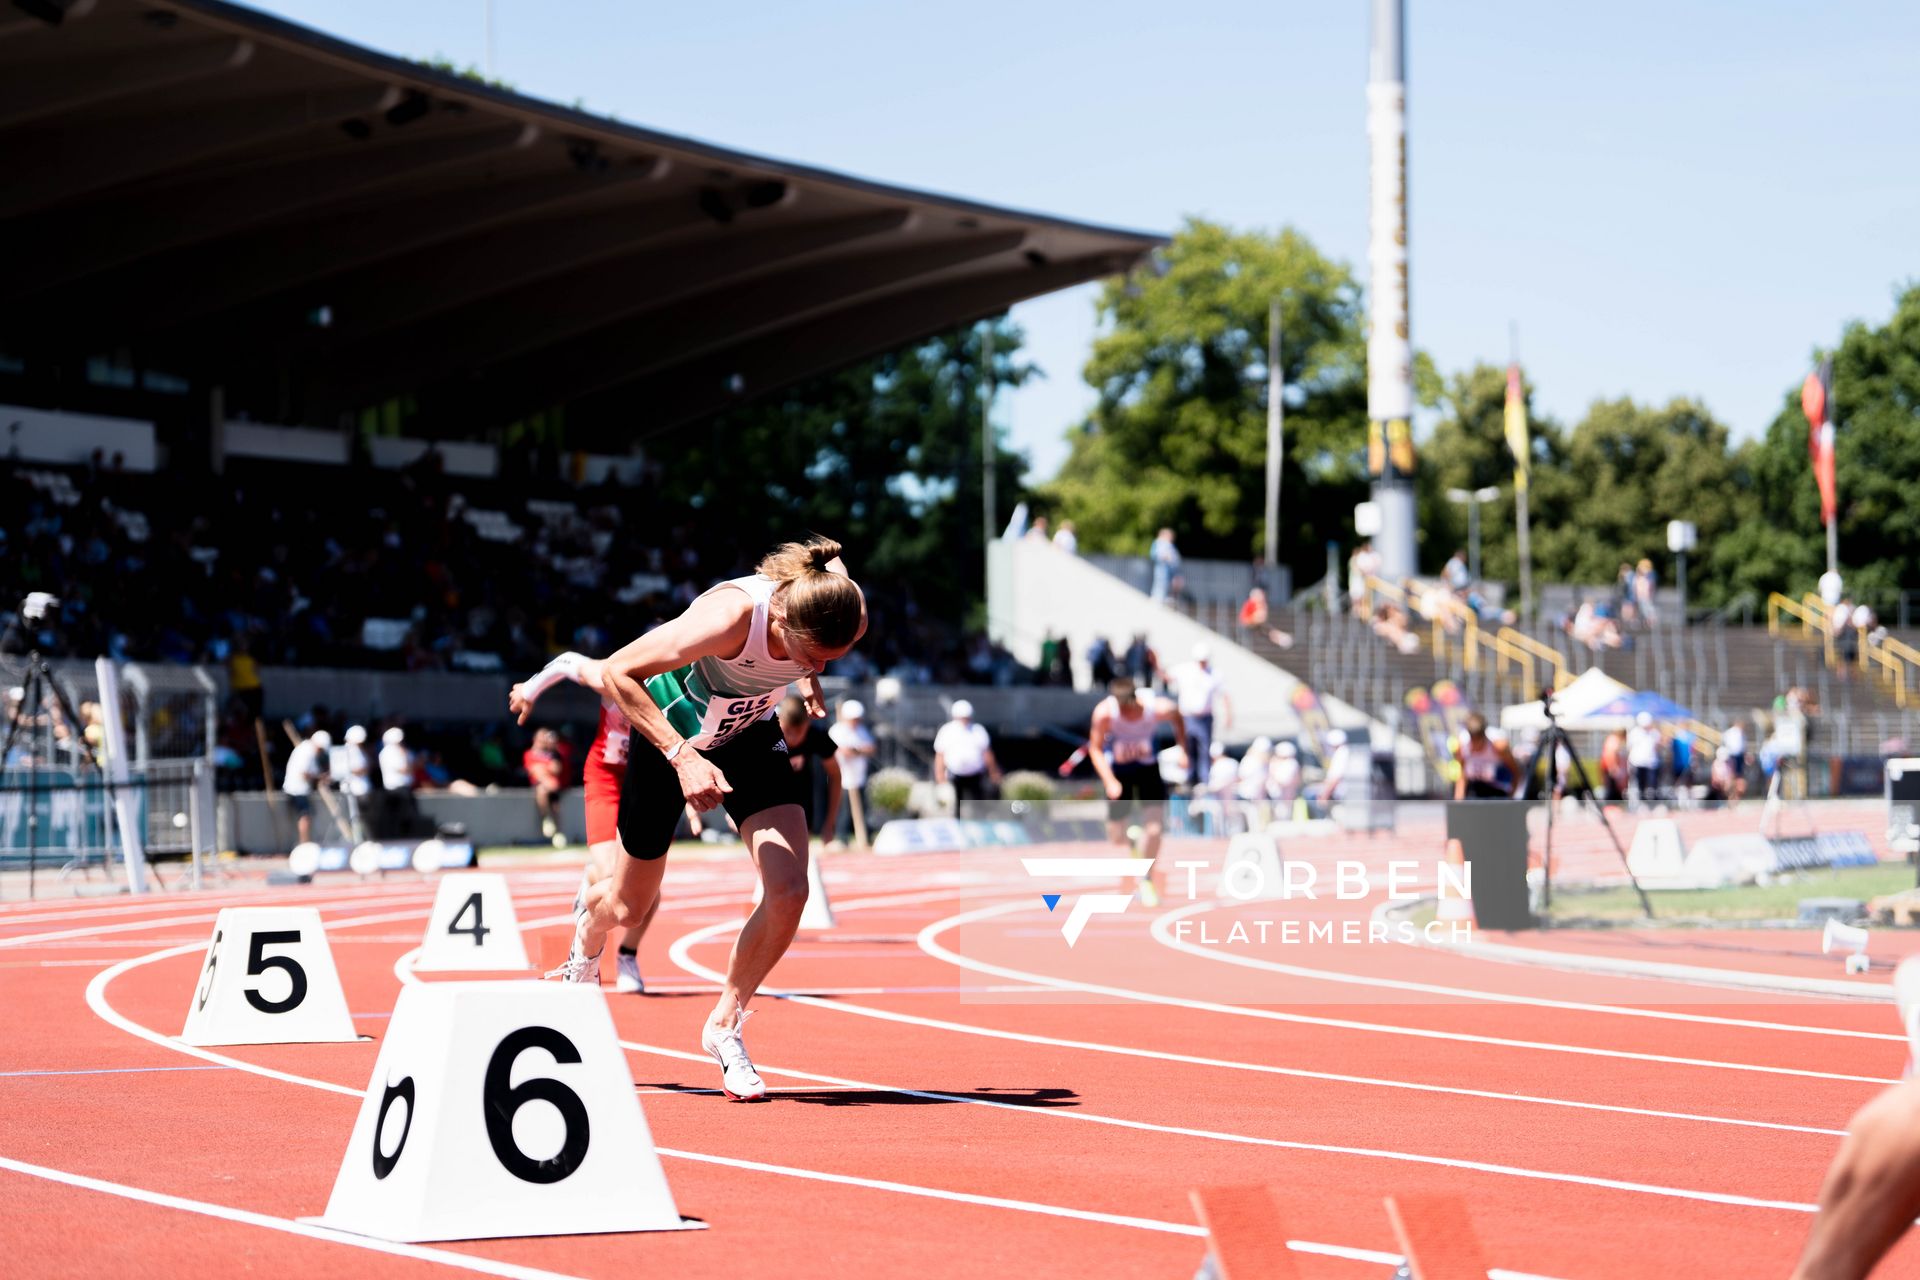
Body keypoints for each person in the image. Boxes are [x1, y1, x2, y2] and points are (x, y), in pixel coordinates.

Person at [552, 536, 867, 1102]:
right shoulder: (727, 618)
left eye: (828, 661)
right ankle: (585, 933)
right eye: (812, 656)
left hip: (748, 736)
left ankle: (724, 1025)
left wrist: (806, 674)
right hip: (670, 735)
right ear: (787, 618)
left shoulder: (841, 607)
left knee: (790, 889)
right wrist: (682, 757)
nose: (818, 668)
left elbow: (832, 580)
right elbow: (618, 673)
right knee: (628, 905)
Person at [509, 652, 660, 994]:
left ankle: (628, 955)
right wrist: (530, 691)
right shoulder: (615, 674)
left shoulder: (679, 688)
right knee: (612, 879)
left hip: (649, 779)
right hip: (606, 777)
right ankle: (593, 881)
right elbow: (565, 662)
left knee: (650, 893)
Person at [1087, 677, 1186, 906]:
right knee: (1116, 836)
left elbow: (1178, 718)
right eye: (1120, 709)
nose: (1125, 713)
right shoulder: (1104, 713)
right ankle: (1132, 842)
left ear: (1135, 700)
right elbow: (1095, 748)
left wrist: (1183, 749)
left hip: (1147, 770)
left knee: (1154, 829)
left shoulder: (1157, 708)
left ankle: (1146, 876)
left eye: (1128, 708)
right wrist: (1110, 781)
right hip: (1119, 771)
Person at [776, 694, 842, 840]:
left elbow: (835, 775)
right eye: (787, 731)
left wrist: (830, 821)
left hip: (801, 800)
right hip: (768, 795)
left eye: (799, 731)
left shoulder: (816, 736)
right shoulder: (766, 734)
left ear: (808, 724)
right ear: (778, 720)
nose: (793, 738)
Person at [1168, 643, 1230, 786]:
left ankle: (1204, 778)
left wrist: (1228, 716)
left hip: (1205, 718)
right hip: (1187, 717)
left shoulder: (1214, 673)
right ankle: (1189, 776)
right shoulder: (1185, 670)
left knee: (1204, 748)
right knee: (1187, 746)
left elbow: (1224, 695)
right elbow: (1167, 676)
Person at [933, 698, 1000, 810]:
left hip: (976, 775)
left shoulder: (978, 730)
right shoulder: (947, 730)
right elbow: (940, 754)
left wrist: (993, 772)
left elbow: (987, 753)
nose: (964, 720)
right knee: (954, 805)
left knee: (977, 805)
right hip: (955, 775)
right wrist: (939, 775)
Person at [829, 699, 877, 849]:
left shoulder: (861, 730)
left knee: (863, 808)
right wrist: (857, 750)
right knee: (843, 810)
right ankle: (841, 837)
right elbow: (842, 751)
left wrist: (856, 751)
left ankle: (864, 836)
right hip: (842, 777)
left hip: (859, 776)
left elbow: (871, 748)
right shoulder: (837, 730)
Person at [1453, 713, 1521, 799]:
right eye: (1473, 740)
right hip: (1474, 790)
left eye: (1478, 741)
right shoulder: (1462, 746)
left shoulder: (1499, 746)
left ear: (1484, 735)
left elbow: (1515, 772)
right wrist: (1458, 800)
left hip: (1497, 790)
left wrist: (1511, 797)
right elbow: (1462, 774)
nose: (1476, 746)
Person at [523, 727, 569, 847]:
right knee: (542, 791)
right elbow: (534, 771)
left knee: (556, 807)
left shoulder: (553, 753)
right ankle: (546, 818)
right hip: (542, 784)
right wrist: (545, 774)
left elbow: (556, 768)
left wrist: (544, 769)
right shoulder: (529, 754)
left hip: (553, 786)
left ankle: (558, 834)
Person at [282, 729, 330, 847]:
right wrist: (319, 777)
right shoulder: (306, 752)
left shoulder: (306, 749)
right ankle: (304, 843)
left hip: (299, 787)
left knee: (306, 815)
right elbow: (303, 773)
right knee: (305, 815)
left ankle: (305, 842)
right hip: (297, 788)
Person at [1626, 712, 1663, 809]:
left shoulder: (1654, 733)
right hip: (1638, 762)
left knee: (1652, 785)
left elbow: (1657, 747)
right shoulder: (1634, 733)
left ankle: (1653, 805)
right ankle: (1642, 805)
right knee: (1640, 785)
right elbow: (1630, 747)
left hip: (1651, 763)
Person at [1149, 528, 1181, 604]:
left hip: (1169, 569)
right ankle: (1157, 598)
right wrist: (1165, 557)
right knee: (1160, 582)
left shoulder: (1170, 545)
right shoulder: (1158, 543)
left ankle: (1162, 597)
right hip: (1162, 567)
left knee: (1166, 583)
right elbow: (1155, 555)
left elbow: (1175, 558)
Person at [379, 727, 413, 792]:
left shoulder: (402, 751)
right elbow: (405, 769)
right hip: (396, 789)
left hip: (402, 787)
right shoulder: (388, 753)